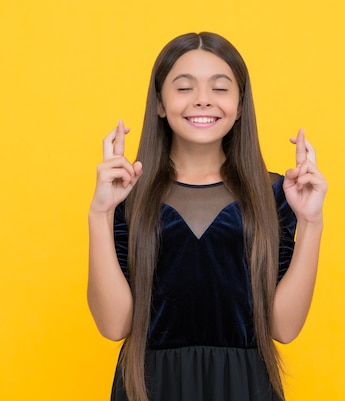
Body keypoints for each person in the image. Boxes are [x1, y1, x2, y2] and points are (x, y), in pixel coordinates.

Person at [87, 32, 327, 401]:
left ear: (241, 104)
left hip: (245, 387)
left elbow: (284, 327)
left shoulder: (275, 194)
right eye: (184, 87)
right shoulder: (127, 195)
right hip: (150, 387)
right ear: (160, 104)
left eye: (220, 88)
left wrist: (311, 222)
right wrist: (101, 212)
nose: (203, 100)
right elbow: (113, 324)